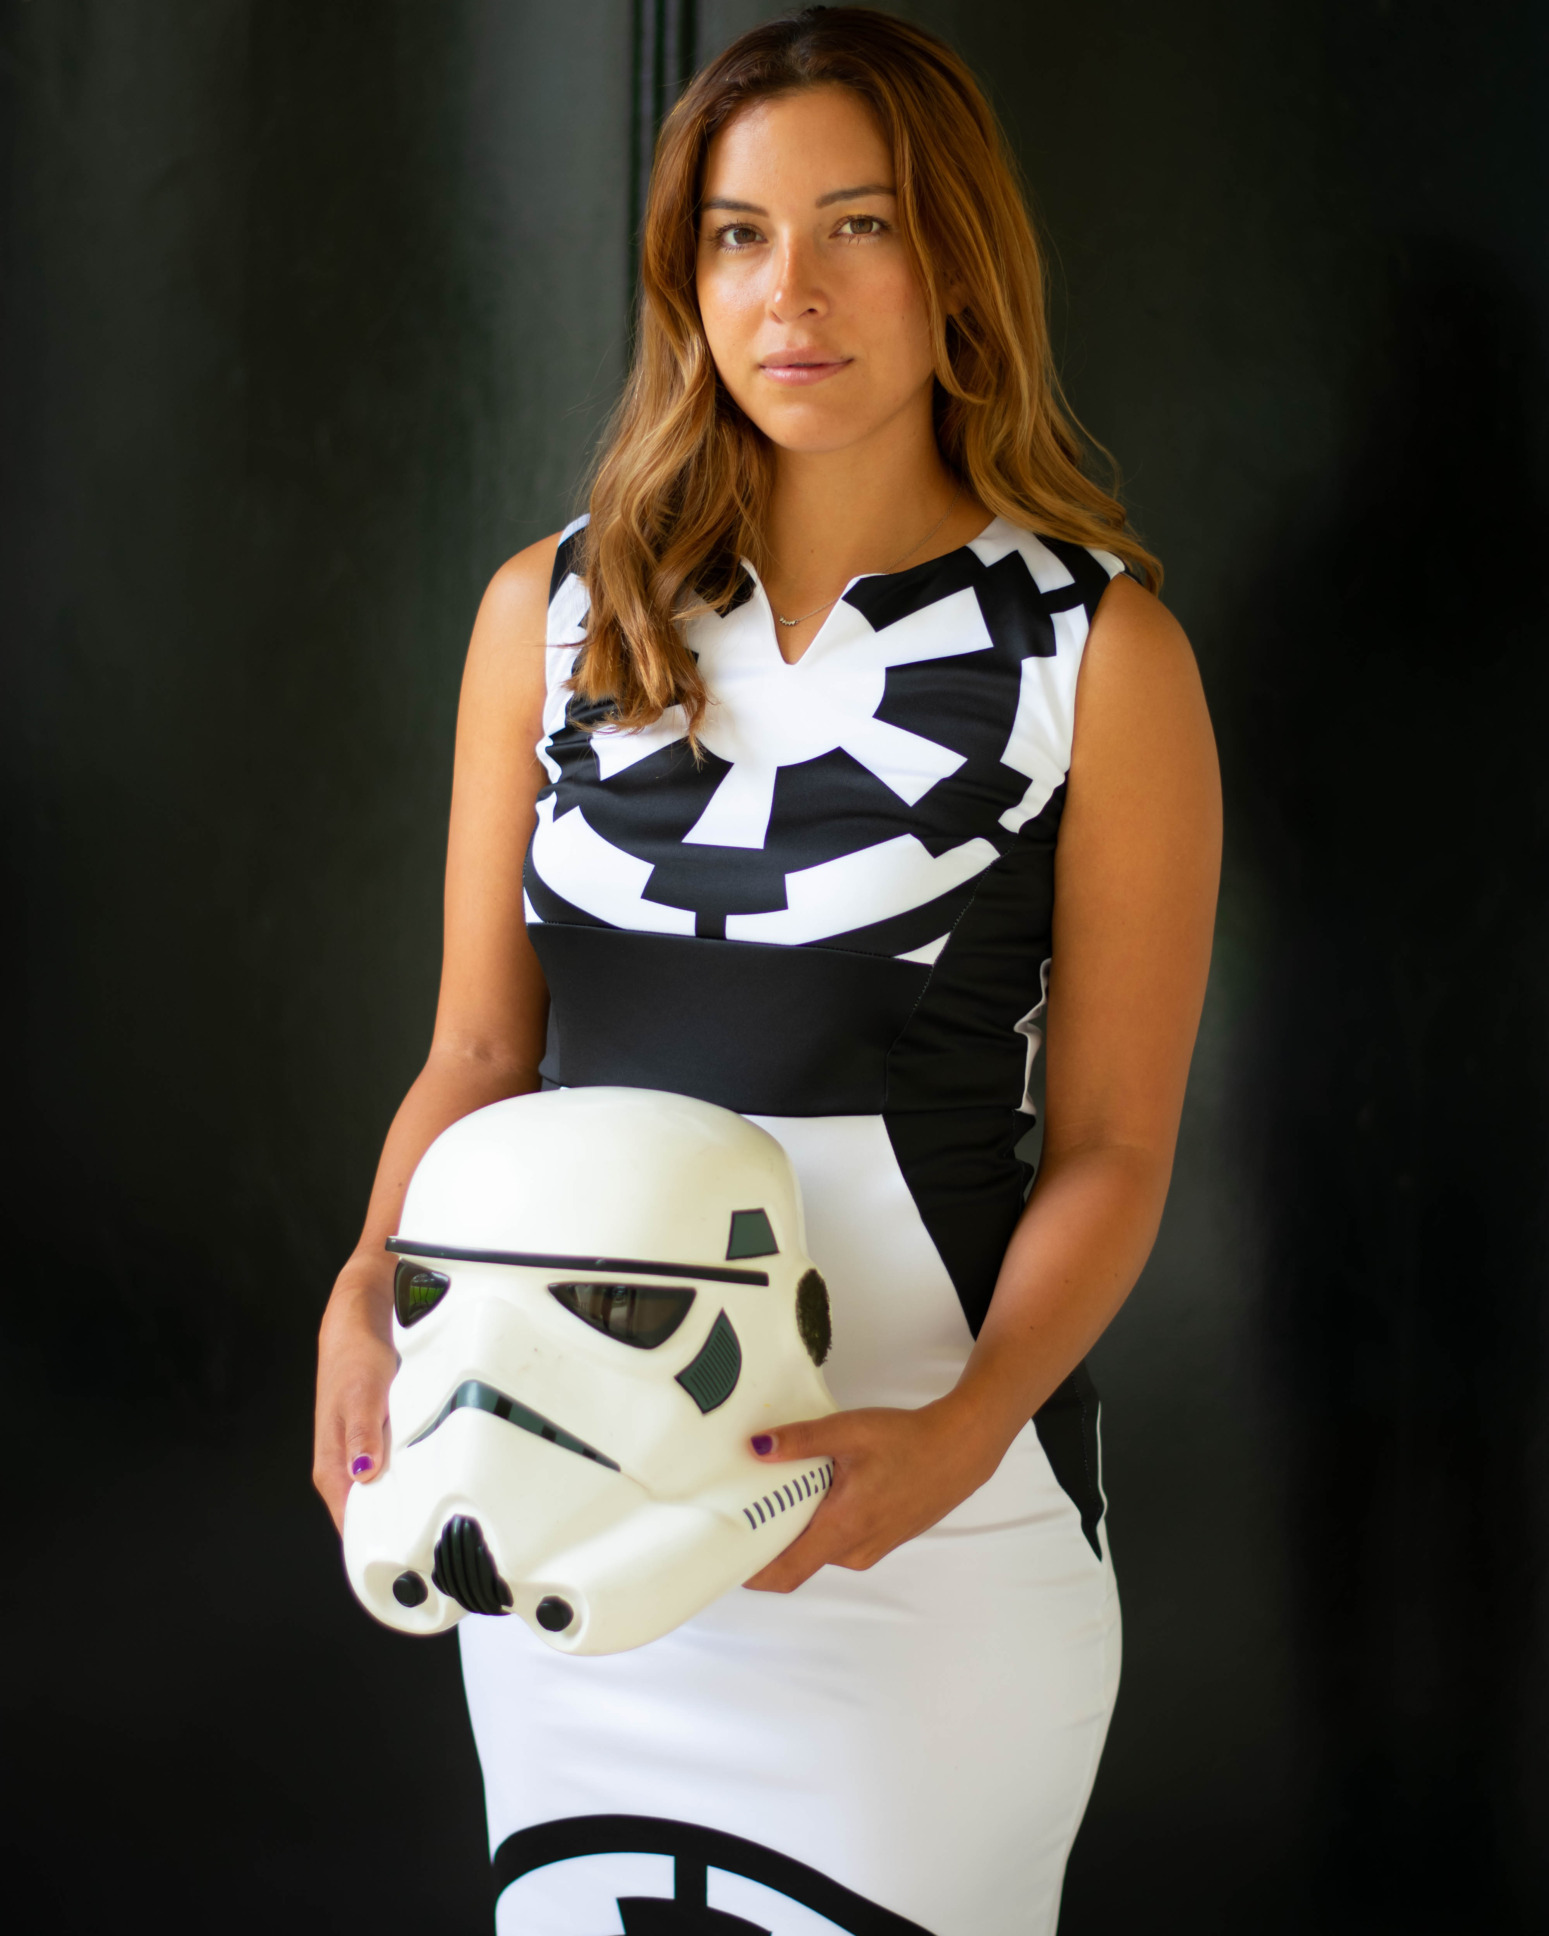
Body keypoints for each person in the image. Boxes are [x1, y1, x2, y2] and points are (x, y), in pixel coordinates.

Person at [313, 9, 1220, 1931]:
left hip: (918, 1554)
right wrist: (364, 1293)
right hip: (569, 1507)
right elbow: (480, 1046)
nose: (787, 291)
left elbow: (1120, 1148)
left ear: (957, 267)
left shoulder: (1095, 655)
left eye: (856, 226)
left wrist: (961, 1436)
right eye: (735, 235)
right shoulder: (551, 617)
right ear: (685, 277)